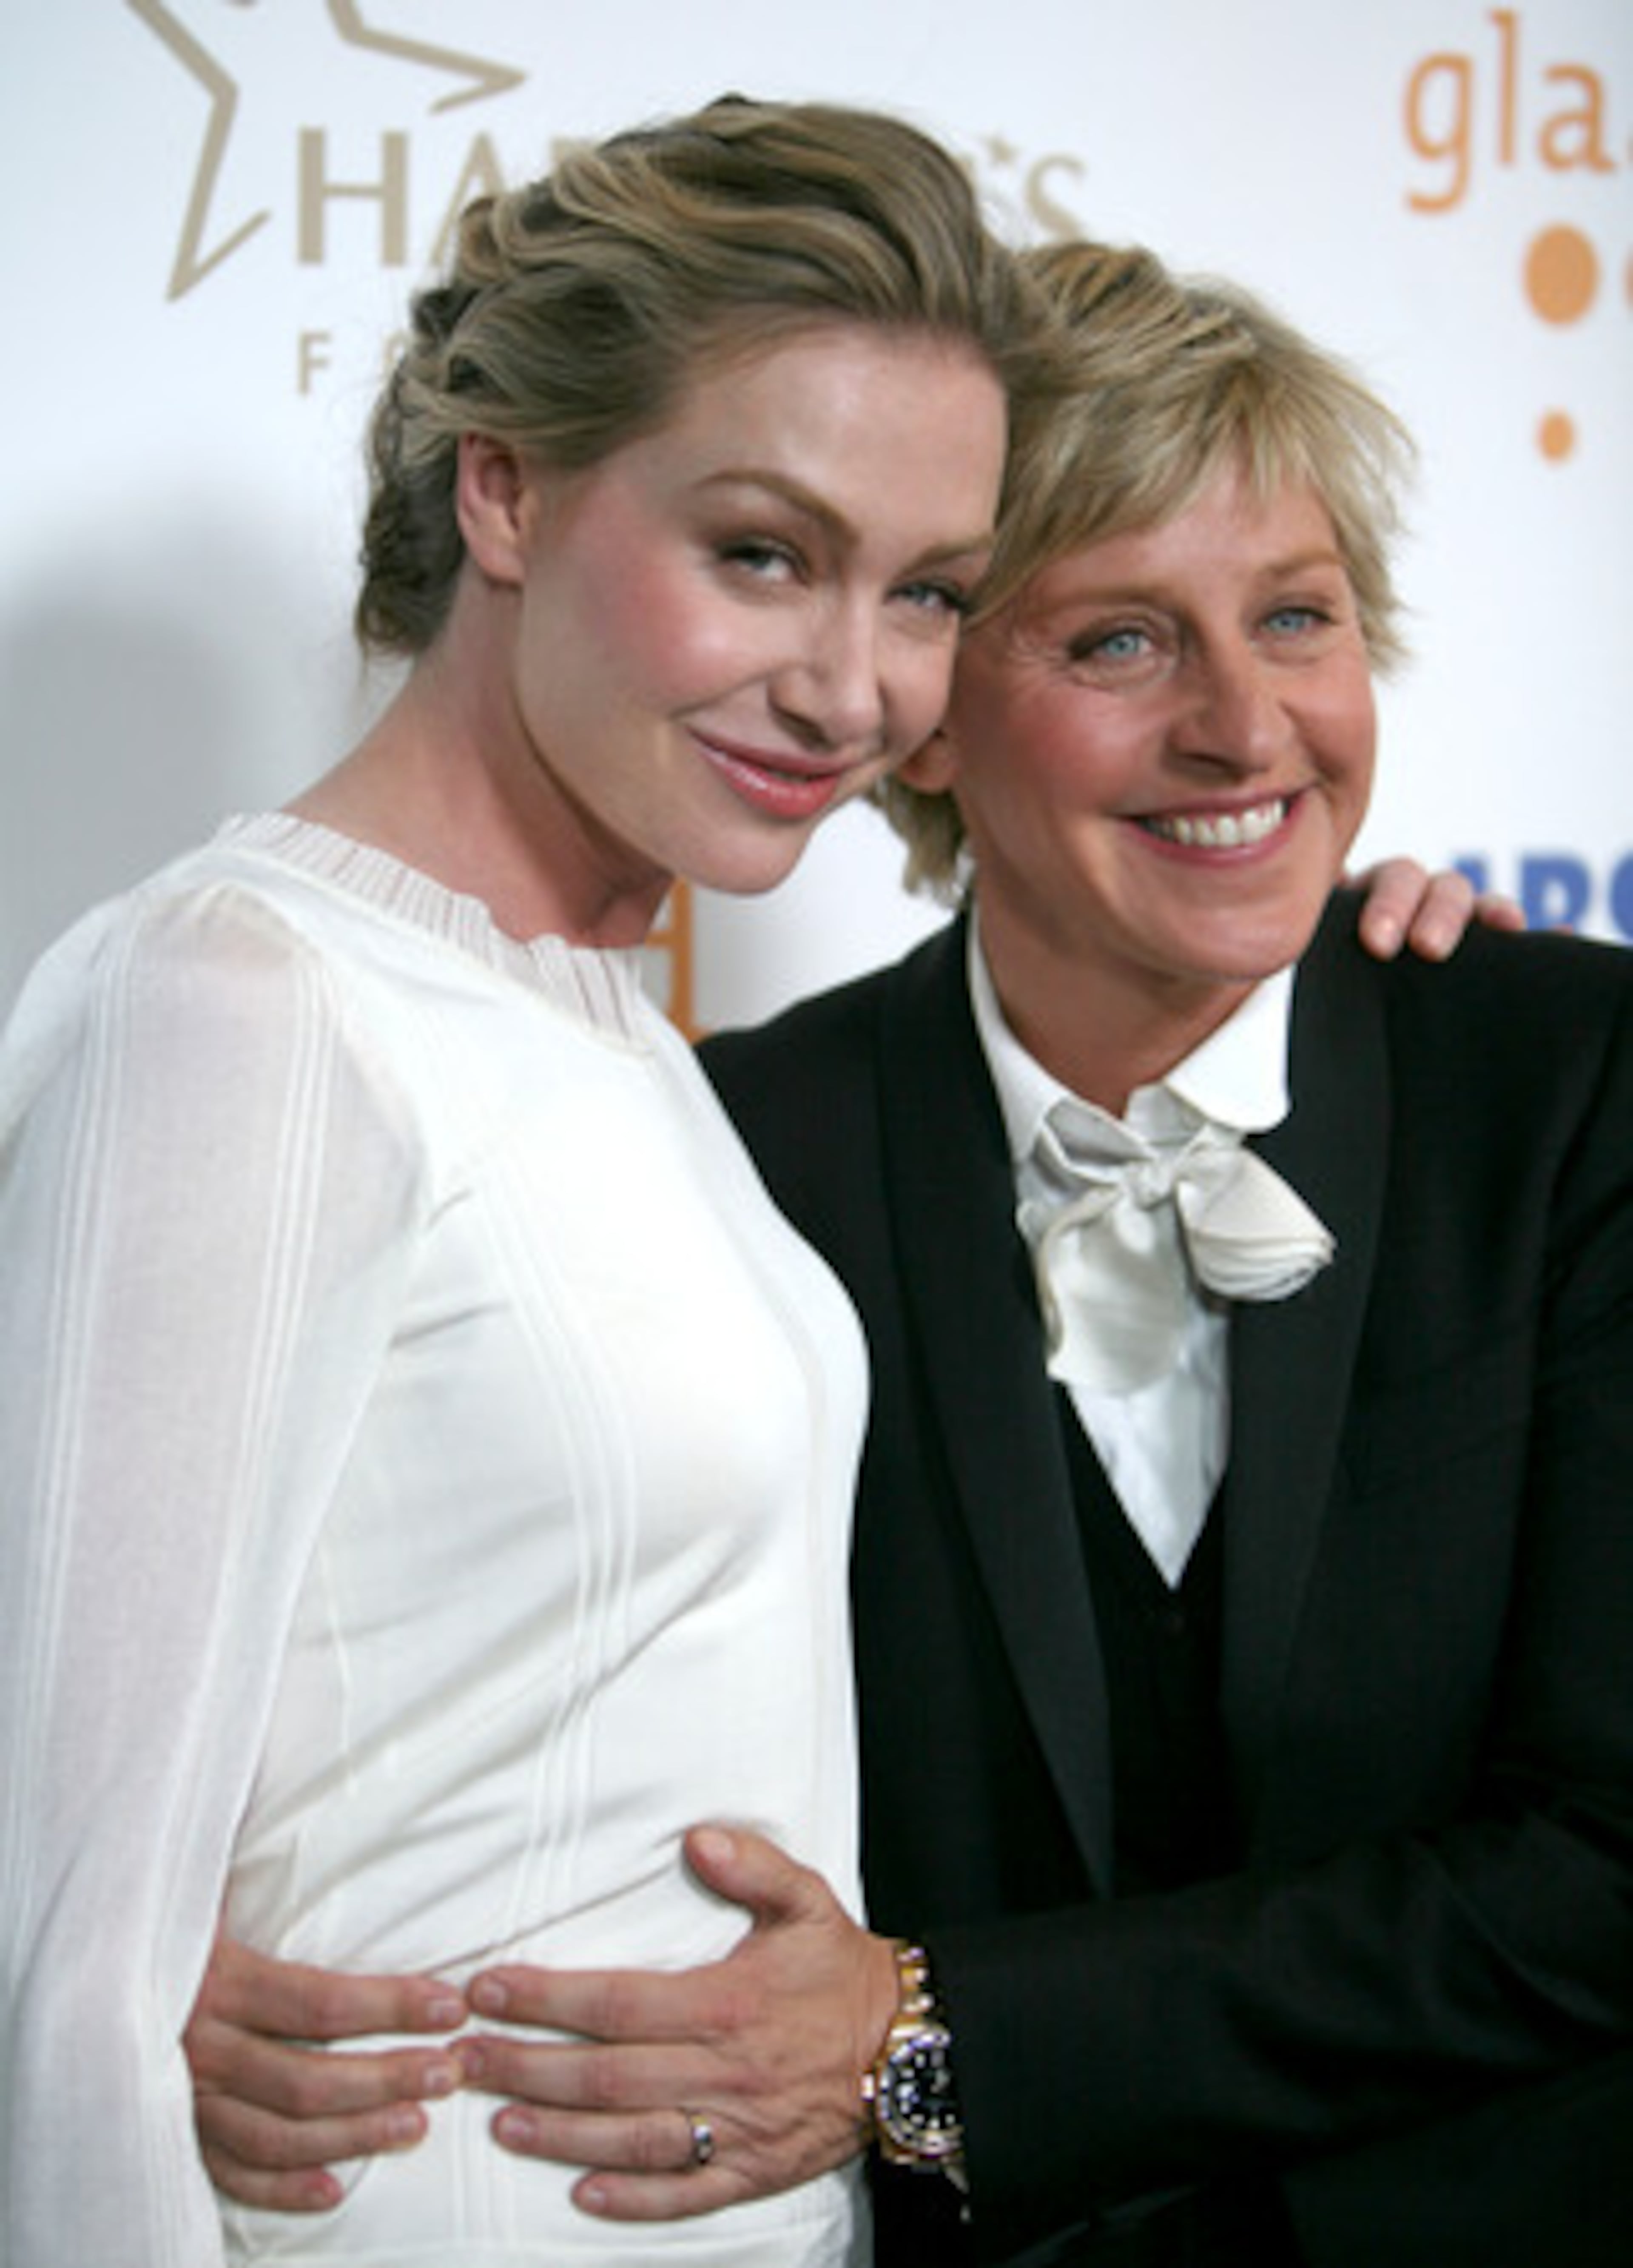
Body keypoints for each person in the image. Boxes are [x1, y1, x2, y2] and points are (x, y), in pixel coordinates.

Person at [174, 239, 1632, 2266]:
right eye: (1121, 641)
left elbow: (1609, 1877)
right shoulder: (729, 1147)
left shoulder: (1570, 1083)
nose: (1246, 727)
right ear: (929, 719)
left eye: (1295, 617)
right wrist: (212, 1962)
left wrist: (922, 2049)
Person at [0, 93, 1064, 2268]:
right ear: (504, 484)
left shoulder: (606, 1019)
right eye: (761, 550)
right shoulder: (247, 1000)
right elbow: (70, 1961)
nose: (852, 687)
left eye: (928, 590)